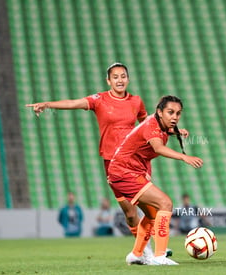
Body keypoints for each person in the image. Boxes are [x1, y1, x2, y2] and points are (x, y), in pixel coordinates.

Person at [26, 63, 156, 254]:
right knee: (129, 213)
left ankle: (150, 251)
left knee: (149, 206)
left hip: (135, 160)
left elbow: (148, 126)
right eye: (115, 77)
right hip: (112, 162)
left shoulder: (136, 101)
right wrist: (48, 104)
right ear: (108, 81)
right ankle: (146, 250)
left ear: (128, 79)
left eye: (123, 76)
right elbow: (74, 103)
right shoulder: (100, 100)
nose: (120, 80)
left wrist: (173, 131)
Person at [108, 95, 203, 265]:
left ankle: (137, 254)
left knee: (153, 214)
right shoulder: (151, 126)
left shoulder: (161, 125)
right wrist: (184, 157)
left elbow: (165, 131)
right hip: (124, 172)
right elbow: (158, 147)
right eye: (170, 112)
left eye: (178, 113)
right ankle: (160, 256)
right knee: (165, 203)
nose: (175, 117)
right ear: (159, 112)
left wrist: (177, 132)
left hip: (124, 171)